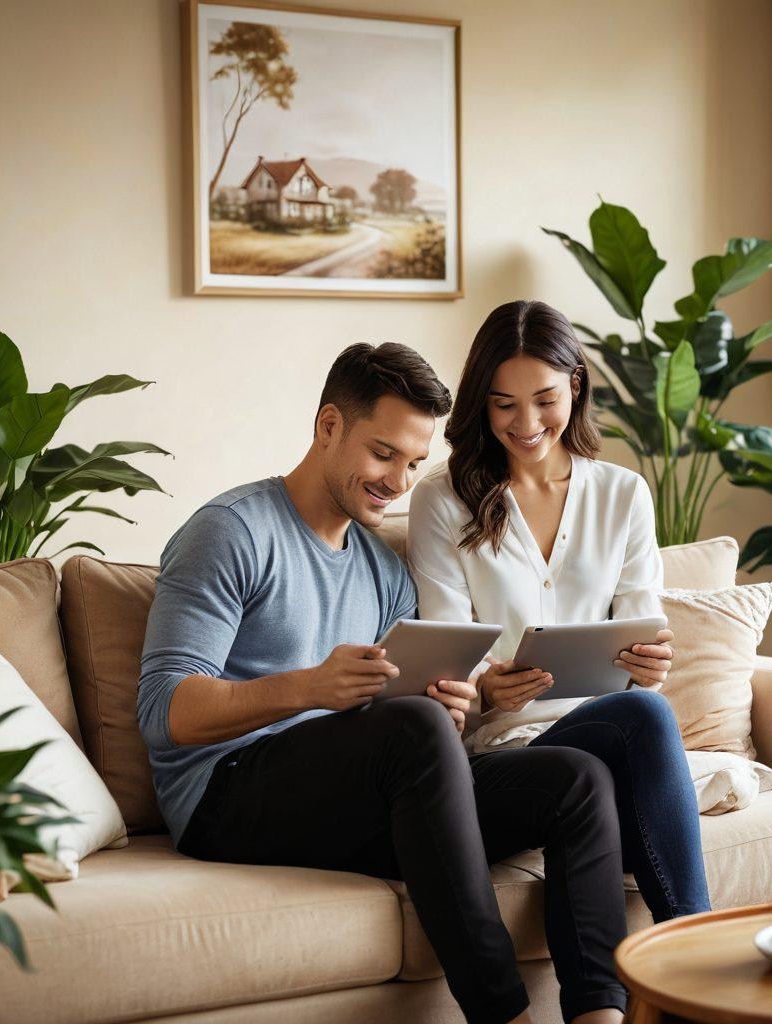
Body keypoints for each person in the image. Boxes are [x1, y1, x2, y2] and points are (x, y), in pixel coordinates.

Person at [138, 341, 634, 1024]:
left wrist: (456, 704)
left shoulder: (383, 568)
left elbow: (404, 728)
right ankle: (505, 1015)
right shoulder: (232, 532)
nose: (399, 482)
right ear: (329, 426)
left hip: (350, 793)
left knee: (575, 779)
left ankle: (600, 1016)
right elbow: (163, 710)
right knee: (415, 728)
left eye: (414, 463)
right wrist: (312, 687)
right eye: (383, 454)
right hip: (223, 796)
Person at [407, 300, 712, 929]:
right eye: (504, 404)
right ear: (482, 403)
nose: (526, 424)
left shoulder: (622, 493)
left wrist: (649, 666)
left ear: (575, 386)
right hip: (504, 748)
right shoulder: (443, 498)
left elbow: (641, 634)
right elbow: (447, 656)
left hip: (609, 734)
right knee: (643, 719)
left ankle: (682, 956)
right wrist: (486, 687)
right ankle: (697, 944)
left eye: (544, 400)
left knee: (642, 712)